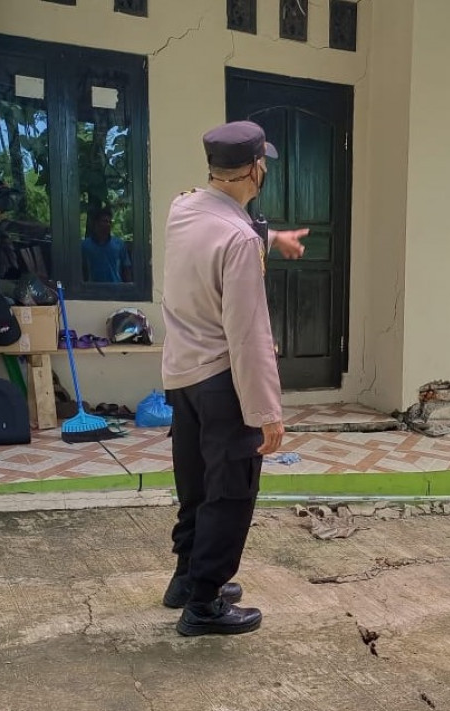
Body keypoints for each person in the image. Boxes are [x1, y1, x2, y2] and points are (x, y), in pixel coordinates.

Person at [159, 120, 289, 637]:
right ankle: (205, 603)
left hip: (182, 375)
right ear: (256, 169)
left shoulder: (182, 209)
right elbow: (249, 334)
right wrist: (267, 412)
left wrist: (271, 237)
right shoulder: (238, 239)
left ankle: (185, 578)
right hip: (222, 380)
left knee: (195, 484)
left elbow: (212, 237)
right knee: (230, 491)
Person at [81, 208, 134, 283]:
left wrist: (128, 286)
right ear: (96, 223)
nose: (108, 224)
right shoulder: (85, 246)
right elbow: (81, 269)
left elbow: (126, 268)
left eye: (110, 222)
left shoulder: (119, 244)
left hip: (115, 288)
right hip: (93, 288)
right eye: (105, 221)